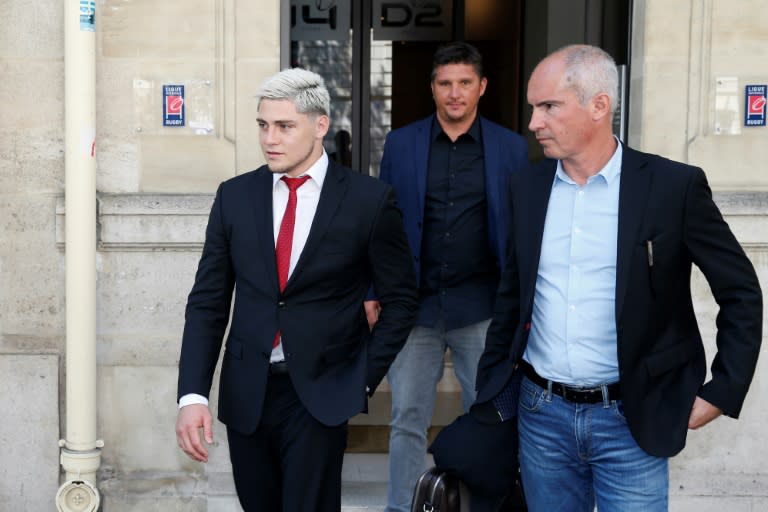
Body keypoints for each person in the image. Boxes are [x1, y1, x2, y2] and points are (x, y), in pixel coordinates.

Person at [474, 44, 763, 511]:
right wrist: (491, 381)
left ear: (599, 105)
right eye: (533, 108)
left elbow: (741, 292)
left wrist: (724, 388)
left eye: (548, 106)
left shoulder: (673, 187)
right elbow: (514, 294)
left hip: (634, 416)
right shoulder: (526, 188)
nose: (533, 123)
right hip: (540, 416)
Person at [174, 68, 418, 512]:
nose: (271, 138)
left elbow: (401, 302)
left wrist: (359, 380)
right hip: (248, 391)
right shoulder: (234, 196)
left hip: (322, 392)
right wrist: (192, 394)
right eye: (263, 125)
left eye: (285, 126)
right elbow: (208, 303)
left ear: (319, 125)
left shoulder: (369, 200)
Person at [364, 41, 529, 512]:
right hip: (414, 305)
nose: (454, 93)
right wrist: (375, 290)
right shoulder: (401, 143)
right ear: (432, 88)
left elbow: (520, 232)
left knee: (488, 414)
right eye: (444, 84)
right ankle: (404, 507)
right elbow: (384, 226)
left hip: (482, 305)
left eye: (464, 83)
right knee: (407, 417)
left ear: (481, 87)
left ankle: (484, 505)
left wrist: (521, 306)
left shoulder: (511, 148)